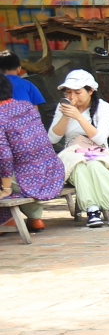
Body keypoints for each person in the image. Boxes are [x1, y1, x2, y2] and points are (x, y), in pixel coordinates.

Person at [48, 69, 109, 229]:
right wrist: (66, 116)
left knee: (95, 165)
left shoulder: (104, 107)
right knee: (80, 166)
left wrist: (78, 116)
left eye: (77, 92)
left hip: (98, 153)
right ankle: (92, 209)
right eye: (68, 92)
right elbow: (52, 138)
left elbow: (100, 138)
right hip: (73, 154)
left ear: (90, 91)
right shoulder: (62, 107)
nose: (72, 97)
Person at [0, 75, 61, 235]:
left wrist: (6, 189)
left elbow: (4, 156)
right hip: (51, 172)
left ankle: (7, 220)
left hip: (27, 180)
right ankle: (35, 218)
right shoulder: (26, 106)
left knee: (8, 172)